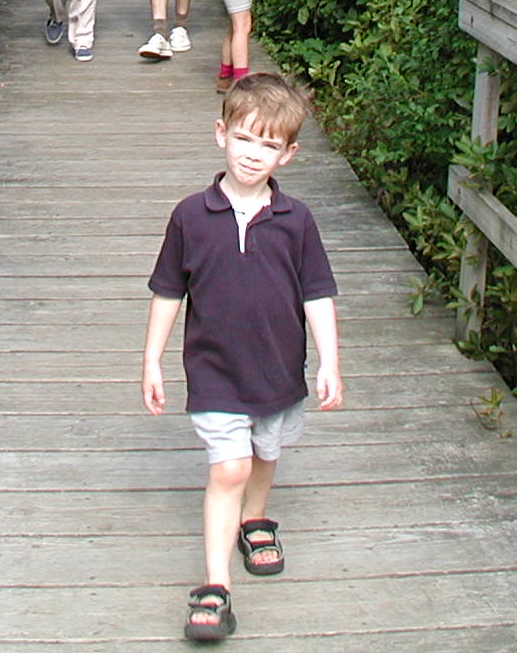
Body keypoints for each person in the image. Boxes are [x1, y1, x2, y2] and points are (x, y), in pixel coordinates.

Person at [142, 75, 343, 643]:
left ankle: (255, 519)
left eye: (269, 145)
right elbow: (167, 292)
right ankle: (216, 586)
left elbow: (317, 294)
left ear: (288, 154)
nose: (253, 154)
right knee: (229, 467)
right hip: (214, 371)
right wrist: (152, 359)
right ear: (221, 134)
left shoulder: (296, 220)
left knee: (265, 452)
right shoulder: (190, 216)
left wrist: (329, 361)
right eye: (244, 139)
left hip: (278, 367)